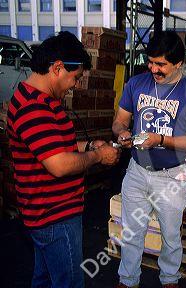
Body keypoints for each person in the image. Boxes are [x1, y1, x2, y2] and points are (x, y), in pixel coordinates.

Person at [6, 31, 120, 288]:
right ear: (58, 68)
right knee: (68, 283)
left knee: (44, 279)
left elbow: (50, 147)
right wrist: (98, 155)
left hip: (45, 214)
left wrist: (88, 145)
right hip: (55, 216)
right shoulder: (34, 108)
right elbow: (58, 164)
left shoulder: (40, 99)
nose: (75, 85)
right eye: (75, 77)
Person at [112, 31, 186, 288]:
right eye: (151, 62)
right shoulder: (136, 84)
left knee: (170, 236)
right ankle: (128, 279)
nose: (153, 68)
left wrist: (161, 140)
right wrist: (122, 132)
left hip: (173, 175)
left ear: (178, 63)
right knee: (132, 232)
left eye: (161, 64)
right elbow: (120, 120)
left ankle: (169, 279)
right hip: (137, 170)